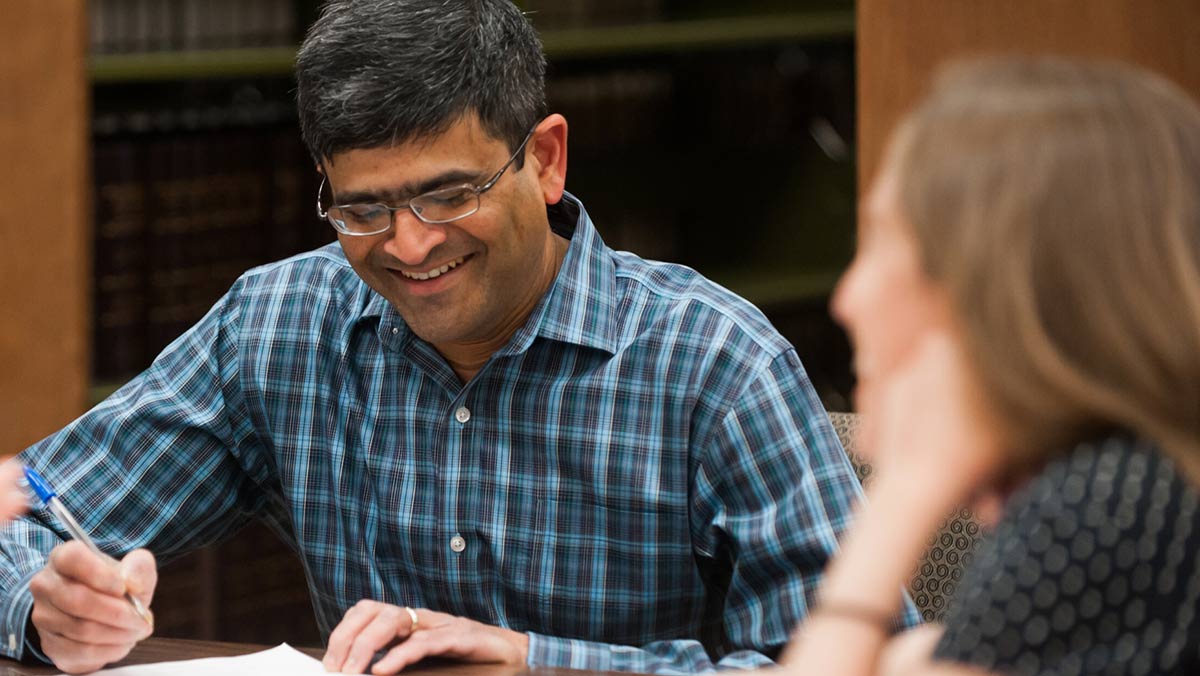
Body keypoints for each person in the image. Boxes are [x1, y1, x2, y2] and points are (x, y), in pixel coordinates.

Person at [0, 1, 905, 673]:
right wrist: (50, 612)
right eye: (362, 208)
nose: (409, 245)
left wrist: (543, 664)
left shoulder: (715, 361)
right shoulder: (278, 325)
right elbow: (27, 511)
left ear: (545, 159)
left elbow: (872, 663)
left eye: (449, 193)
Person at [781, 56, 1200, 675]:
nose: (848, 298)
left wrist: (910, 483)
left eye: (882, 242)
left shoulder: (1104, 511)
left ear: (998, 293)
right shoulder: (1137, 489)